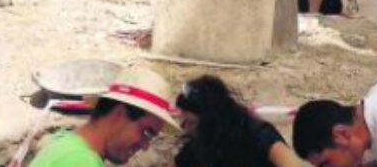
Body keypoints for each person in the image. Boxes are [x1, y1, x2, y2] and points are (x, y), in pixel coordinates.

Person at [30, 66, 176, 166]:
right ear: (119, 114)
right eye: (146, 132)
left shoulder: (66, 143)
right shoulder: (81, 162)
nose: (145, 146)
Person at [173, 75, 302, 167]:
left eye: (190, 122)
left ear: (210, 120)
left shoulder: (259, 135)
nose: (184, 128)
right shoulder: (198, 146)